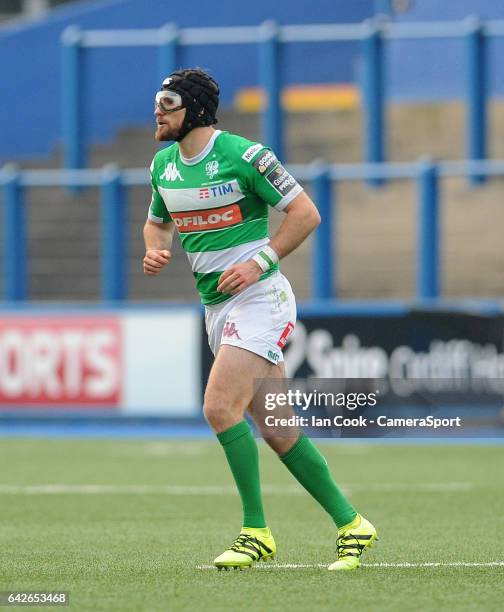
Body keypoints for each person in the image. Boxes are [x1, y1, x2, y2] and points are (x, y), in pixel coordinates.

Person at [143, 67, 378, 571]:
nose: (157, 112)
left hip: (261, 299)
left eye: (168, 102)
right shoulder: (163, 165)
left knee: (218, 407)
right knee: (276, 427)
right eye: (157, 102)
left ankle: (255, 532)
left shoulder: (247, 157)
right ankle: (352, 523)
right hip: (217, 306)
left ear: (196, 110)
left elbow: (306, 213)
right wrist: (154, 250)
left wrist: (259, 262)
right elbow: (157, 222)